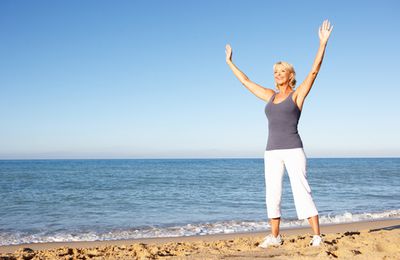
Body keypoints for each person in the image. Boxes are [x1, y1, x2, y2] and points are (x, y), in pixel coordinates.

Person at [225, 19, 333, 247]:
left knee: (302, 191)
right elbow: (246, 82)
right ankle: (275, 237)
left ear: (290, 74)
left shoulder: (297, 95)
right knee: (272, 194)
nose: (277, 74)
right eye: (275, 71)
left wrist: (322, 44)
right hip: (272, 151)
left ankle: (316, 236)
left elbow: (314, 71)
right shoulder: (270, 96)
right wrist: (230, 62)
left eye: (281, 71)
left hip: (293, 149)